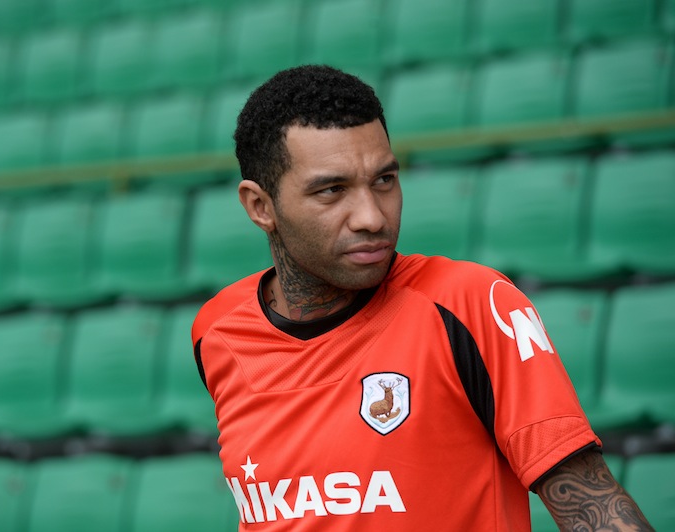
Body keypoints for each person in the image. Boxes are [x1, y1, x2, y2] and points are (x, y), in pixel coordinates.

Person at [191, 65, 652, 530]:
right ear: (260, 206)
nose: (372, 217)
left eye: (384, 180)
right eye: (332, 190)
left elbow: (593, 508)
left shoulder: (470, 304)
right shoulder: (217, 332)